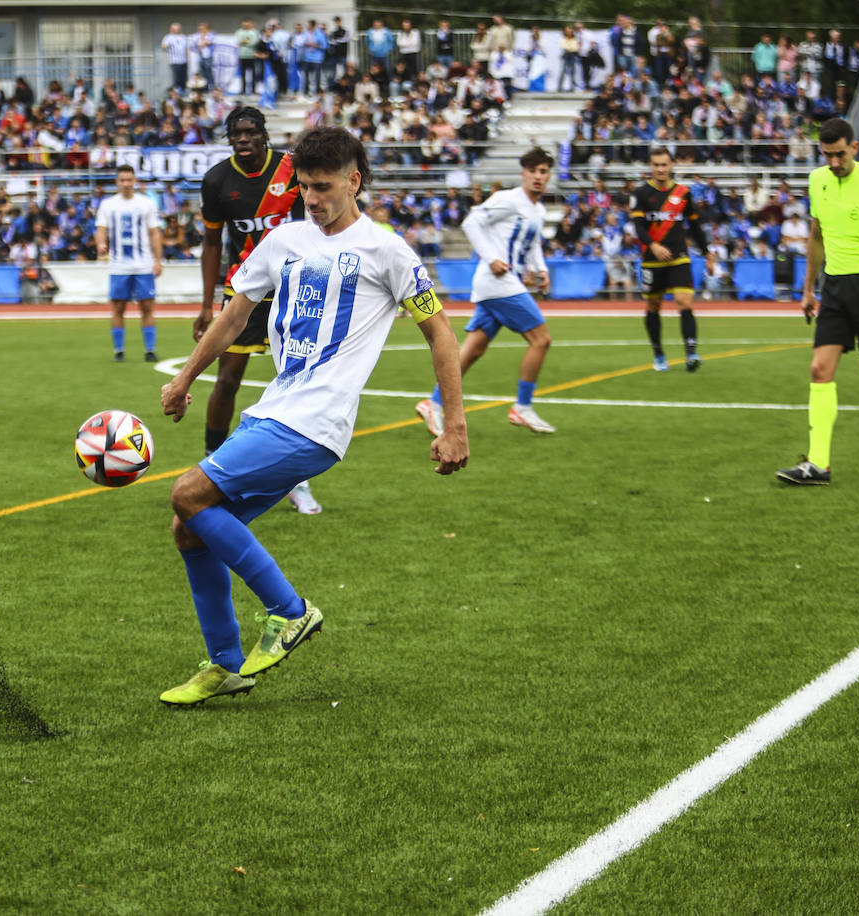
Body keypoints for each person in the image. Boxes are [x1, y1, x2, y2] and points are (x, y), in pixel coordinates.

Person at [157, 126, 468, 706]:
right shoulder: (283, 241)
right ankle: (225, 666)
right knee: (190, 526)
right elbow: (232, 316)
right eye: (303, 187)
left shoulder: (388, 251)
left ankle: (289, 611)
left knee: (186, 493)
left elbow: (441, 333)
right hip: (274, 409)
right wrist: (184, 377)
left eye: (323, 187)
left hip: (315, 423)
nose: (312, 199)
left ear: (355, 181)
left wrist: (455, 424)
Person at [196, 107, 321, 515]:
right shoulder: (217, 181)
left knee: (298, 384)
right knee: (227, 380)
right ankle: (211, 466)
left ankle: (297, 481)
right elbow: (213, 245)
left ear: (265, 134)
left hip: (296, 286)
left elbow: (321, 221)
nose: (243, 139)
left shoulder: (293, 168)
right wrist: (204, 304)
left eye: (251, 132)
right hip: (245, 288)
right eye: (236, 133)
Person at [777, 118, 859, 486]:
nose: (834, 162)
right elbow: (816, 237)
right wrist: (807, 290)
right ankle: (818, 464)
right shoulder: (817, 180)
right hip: (834, 287)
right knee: (820, 369)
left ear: (854, 147)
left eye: (840, 154)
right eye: (827, 155)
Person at [415, 148, 558, 437]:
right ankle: (522, 407)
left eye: (543, 171)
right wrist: (491, 257)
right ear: (523, 173)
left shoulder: (538, 210)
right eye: (533, 170)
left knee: (473, 349)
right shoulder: (508, 200)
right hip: (498, 282)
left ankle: (433, 403)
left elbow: (533, 245)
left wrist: (541, 269)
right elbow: (471, 222)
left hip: (503, 283)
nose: (538, 177)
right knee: (541, 340)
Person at [629, 146, 706, 371]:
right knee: (654, 305)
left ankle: (691, 354)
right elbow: (638, 226)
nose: (660, 169)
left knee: (685, 302)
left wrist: (707, 252)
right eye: (656, 165)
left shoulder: (683, 193)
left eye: (664, 164)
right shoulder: (641, 194)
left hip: (679, 256)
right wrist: (653, 245)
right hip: (652, 259)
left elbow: (695, 225)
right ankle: (658, 354)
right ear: (650, 167)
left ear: (671, 165)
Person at [94, 164, 163, 362]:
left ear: (135, 181)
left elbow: (154, 233)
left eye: (129, 180)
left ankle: (150, 350)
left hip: (143, 265)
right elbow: (101, 229)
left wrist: (158, 260)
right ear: (117, 182)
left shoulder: (146, 203)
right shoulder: (108, 205)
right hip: (118, 266)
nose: (126, 184)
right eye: (122, 180)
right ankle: (119, 351)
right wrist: (100, 244)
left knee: (147, 307)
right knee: (117, 308)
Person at [161, 23, 189, 92]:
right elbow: (163, 46)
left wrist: (188, 58)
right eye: (175, 29)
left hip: (184, 61)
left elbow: (186, 48)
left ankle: (183, 92)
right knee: (177, 79)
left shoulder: (183, 37)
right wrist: (167, 46)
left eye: (178, 29)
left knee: (184, 78)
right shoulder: (168, 37)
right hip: (175, 61)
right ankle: (177, 93)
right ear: (171, 29)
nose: (176, 30)